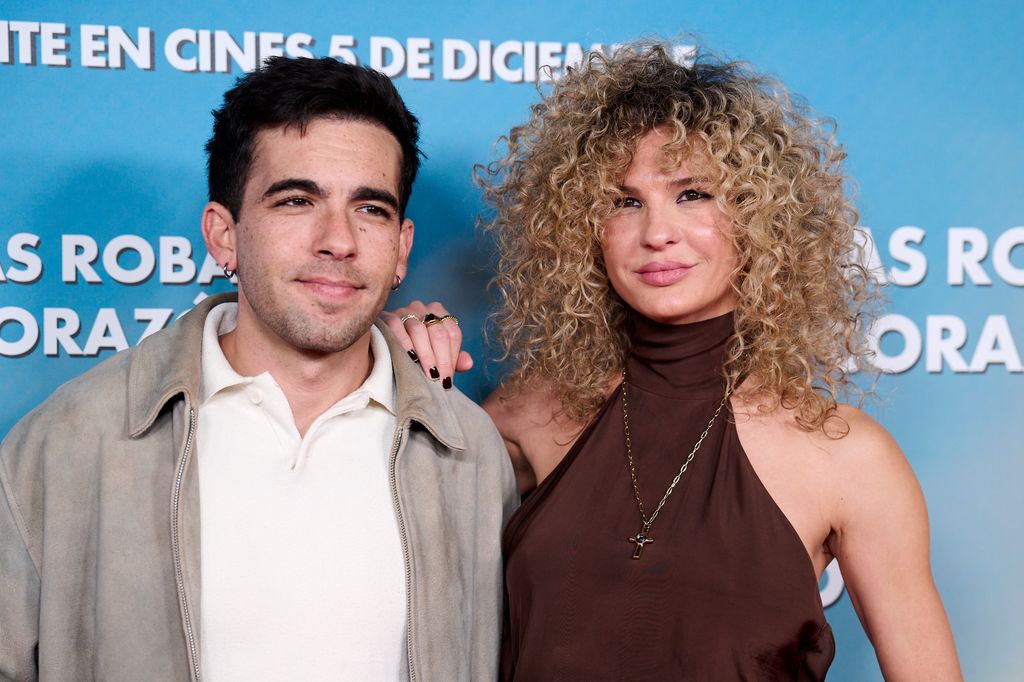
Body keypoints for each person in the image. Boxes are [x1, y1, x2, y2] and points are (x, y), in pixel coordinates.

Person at [385, 43, 962, 680]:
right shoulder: (530, 413)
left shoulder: (847, 456)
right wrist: (389, 353)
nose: (657, 232)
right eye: (624, 201)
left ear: (758, 216)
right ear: (584, 229)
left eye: (693, 194)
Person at [0, 56, 516, 681]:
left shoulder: (468, 452)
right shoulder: (68, 444)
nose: (339, 240)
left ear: (402, 247)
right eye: (297, 200)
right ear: (223, 235)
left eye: (370, 209)